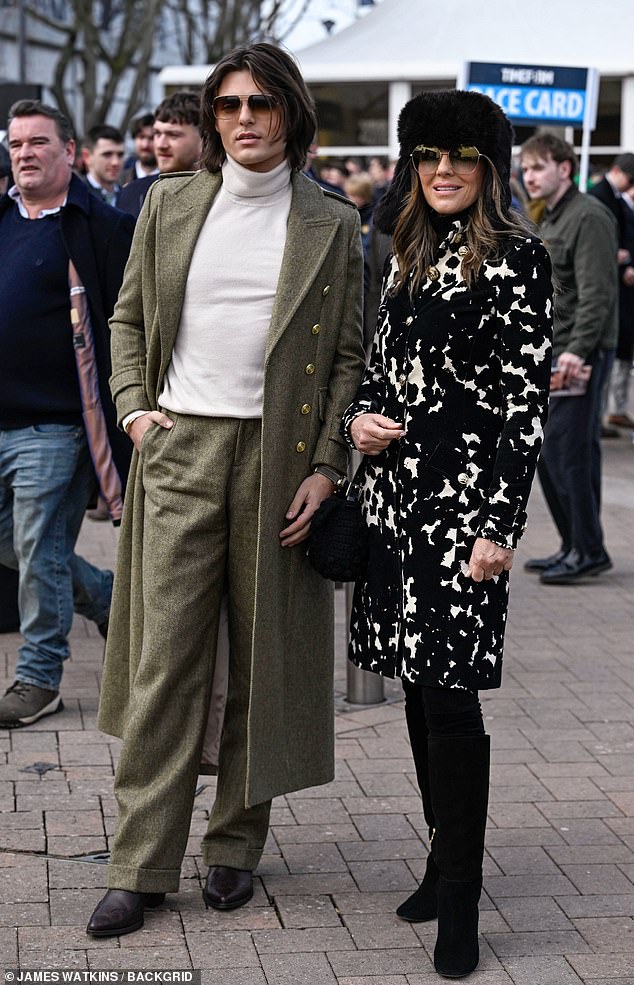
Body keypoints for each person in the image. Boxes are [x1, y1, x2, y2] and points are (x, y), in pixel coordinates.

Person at [86, 41, 365, 939]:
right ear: (212, 117)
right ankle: (141, 862)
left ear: (291, 113)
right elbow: (126, 317)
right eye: (228, 104)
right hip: (179, 447)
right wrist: (132, 410)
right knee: (166, 659)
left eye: (261, 103)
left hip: (279, 461)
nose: (244, 118)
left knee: (262, 660)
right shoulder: (170, 202)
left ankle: (235, 846)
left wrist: (328, 466)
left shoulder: (331, 220)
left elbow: (352, 356)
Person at [342, 90, 553, 978]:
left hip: (465, 516)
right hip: (396, 506)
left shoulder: (520, 262)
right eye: (428, 156)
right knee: (418, 694)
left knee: (453, 695)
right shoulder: (400, 257)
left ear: (489, 169)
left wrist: (500, 528)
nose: (442, 171)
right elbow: (378, 371)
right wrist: (359, 420)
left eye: (461, 158)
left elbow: (521, 408)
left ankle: (461, 892)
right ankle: (440, 855)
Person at [0, 100, 134, 728]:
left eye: (37, 143)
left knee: (38, 544)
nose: (24, 153)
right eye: (16, 143)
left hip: (57, 425)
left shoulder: (96, 226)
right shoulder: (1, 218)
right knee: (29, 551)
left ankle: (38, 677)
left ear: (69, 152)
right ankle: (106, 596)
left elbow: (127, 326)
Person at [520, 133, 618, 583]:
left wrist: (578, 351)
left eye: (538, 167)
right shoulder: (550, 217)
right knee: (549, 454)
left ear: (565, 167)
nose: (529, 175)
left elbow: (598, 292)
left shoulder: (589, 216)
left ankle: (589, 549)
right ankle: (572, 544)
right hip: (554, 352)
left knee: (571, 454)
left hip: (580, 354)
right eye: (526, 168)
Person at [588, 152, 634, 430]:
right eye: (629, 179)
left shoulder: (611, 197)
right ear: (617, 171)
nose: (629, 186)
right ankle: (600, 416)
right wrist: (616, 256)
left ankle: (605, 414)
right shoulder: (600, 197)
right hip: (607, 283)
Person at [117, 92, 202, 219]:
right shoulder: (132, 195)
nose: (161, 144)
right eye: (157, 134)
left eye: (173, 135)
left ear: (203, 139)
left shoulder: (225, 196)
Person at [81, 124, 126, 207]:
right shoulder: (75, 196)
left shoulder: (130, 197)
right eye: (107, 154)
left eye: (120, 155)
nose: (115, 162)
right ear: (87, 156)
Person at [120, 112, 158, 185]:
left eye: (151, 138)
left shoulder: (169, 183)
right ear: (134, 139)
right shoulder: (118, 180)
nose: (145, 145)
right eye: (141, 137)